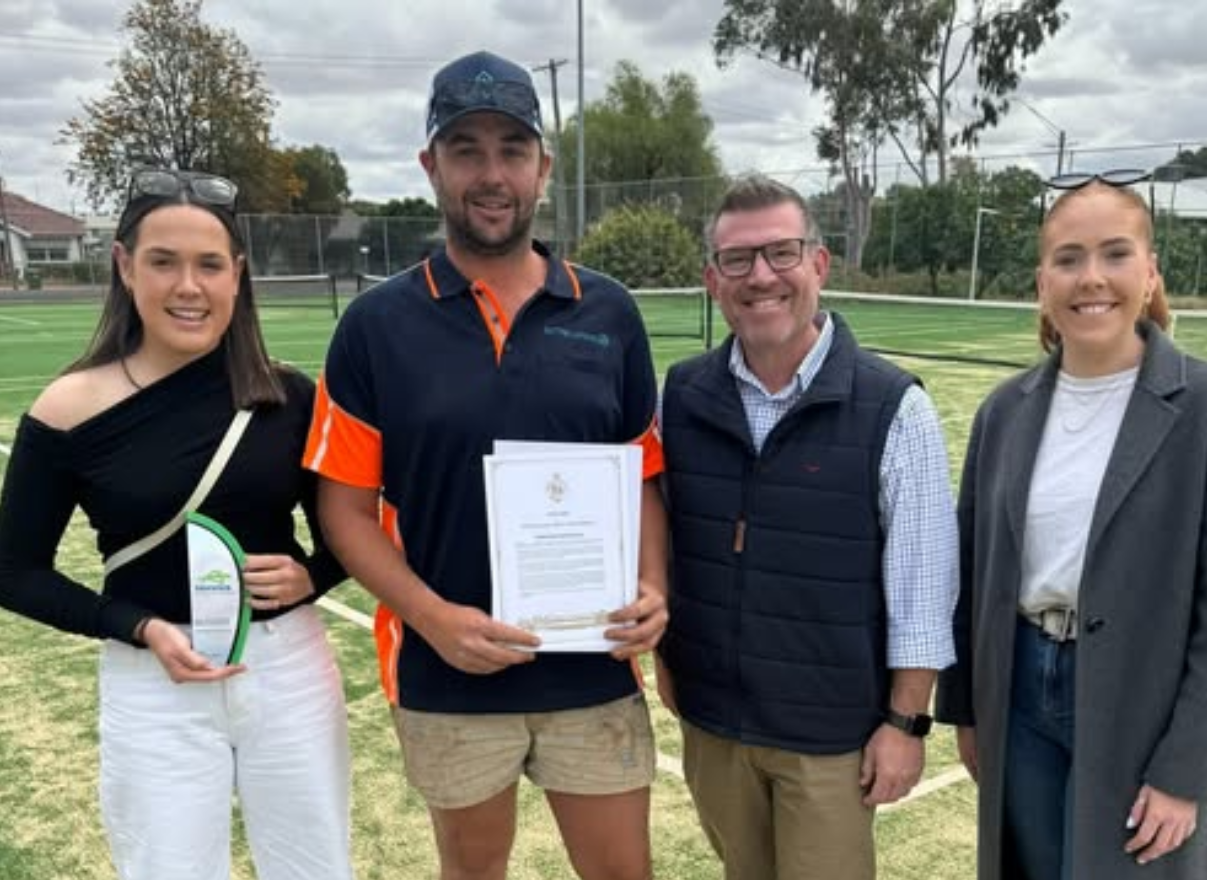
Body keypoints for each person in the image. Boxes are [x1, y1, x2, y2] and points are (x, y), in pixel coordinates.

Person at [305, 50, 668, 880]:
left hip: (593, 663)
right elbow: (345, 510)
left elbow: (640, 475)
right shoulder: (374, 325)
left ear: (542, 166)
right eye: (466, 148)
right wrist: (434, 618)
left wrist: (656, 587)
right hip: (447, 673)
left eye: (512, 148)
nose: (491, 173)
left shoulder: (607, 310)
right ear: (431, 165)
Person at [0, 168, 353, 879]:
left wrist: (311, 575)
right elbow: (12, 571)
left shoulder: (288, 396)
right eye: (163, 261)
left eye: (209, 265)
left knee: (315, 868)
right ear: (125, 266)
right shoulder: (68, 407)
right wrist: (135, 624)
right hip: (151, 681)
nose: (187, 287)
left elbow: (350, 534)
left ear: (237, 275)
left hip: (286, 669)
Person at [935, 173, 1207, 880]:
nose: (1091, 278)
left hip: (1144, 699)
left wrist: (1189, 770)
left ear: (1150, 272)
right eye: (1068, 259)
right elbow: (972, 570)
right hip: (1022, 690)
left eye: (1114, 254)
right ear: (1042, 283)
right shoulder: (1005, 411)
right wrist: (969, 709)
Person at [656, 174, 960, 880]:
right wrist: (668, 659)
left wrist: (906, 724)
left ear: (818, 265)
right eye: (738, 259)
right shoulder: (682, 394)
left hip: (831, 739)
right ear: (712, 279)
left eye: (782, 253)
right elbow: (663, 542)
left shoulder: (894, 408)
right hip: (714, 727)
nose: (761, 276)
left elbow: (924, 588)